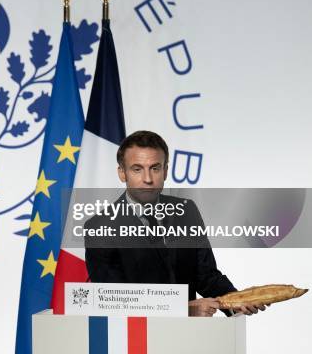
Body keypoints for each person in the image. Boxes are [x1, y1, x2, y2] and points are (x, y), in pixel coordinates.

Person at [84, 130, 267, 317]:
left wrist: (237, 299)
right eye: (137, 169)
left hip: (188, 337)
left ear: (165, 171)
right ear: (122, 173)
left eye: (155, 168)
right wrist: (185, 309)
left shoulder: (187, 211)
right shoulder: (99, 227)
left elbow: (206, 276)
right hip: (135, 339)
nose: (147, 179)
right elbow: (115, 300)